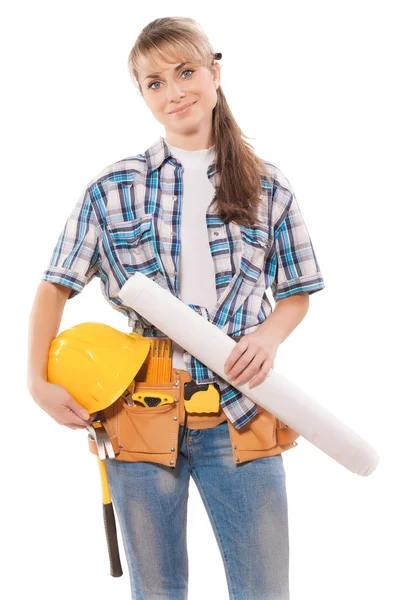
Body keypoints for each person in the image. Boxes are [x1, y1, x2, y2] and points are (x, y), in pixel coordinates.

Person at [27, 16, 325, 600]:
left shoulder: (269, 187)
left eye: (185, 72)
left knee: (264, 591)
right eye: (154, 83)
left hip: (242, 409)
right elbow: (53, 286)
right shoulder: (111, 189)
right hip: (139, 411)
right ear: (142, 95)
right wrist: (35, 382)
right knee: (157, 593)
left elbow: (297, 293)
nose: (174, 92)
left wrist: (265, 338)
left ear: (215, 74)